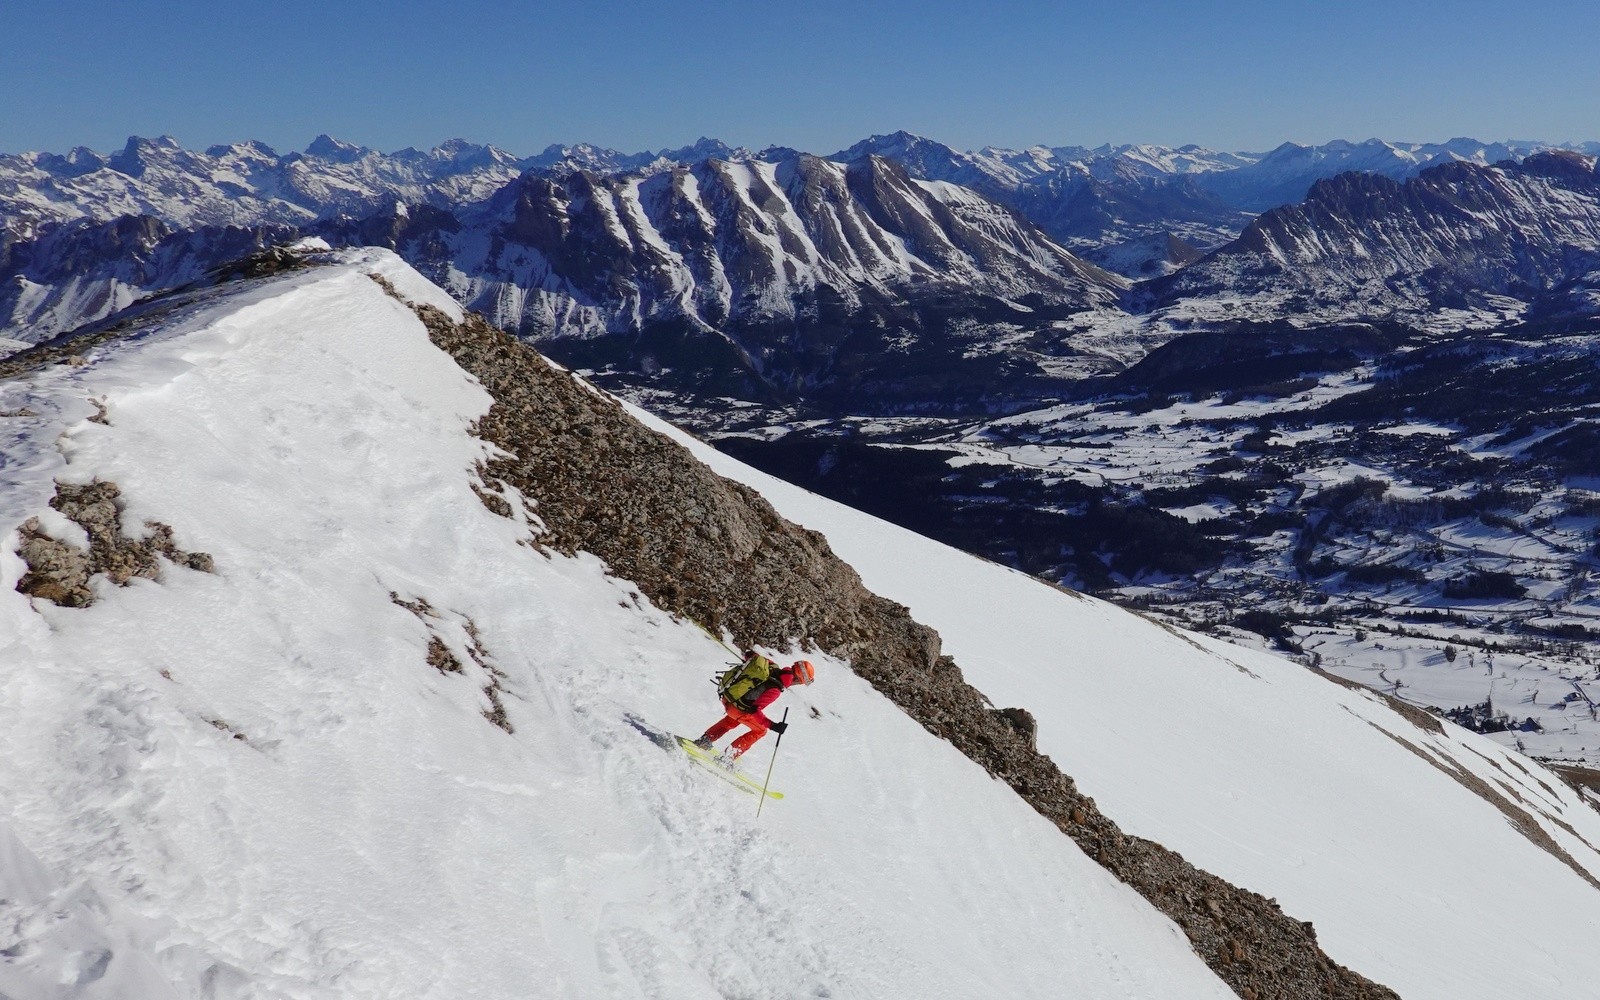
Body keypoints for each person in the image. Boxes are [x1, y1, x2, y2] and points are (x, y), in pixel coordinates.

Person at [694, 654, 816, 761]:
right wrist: (773, 726)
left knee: (734, 719)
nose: (797, 685)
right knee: (761, 730)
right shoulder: (775, 689)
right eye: (799, 683)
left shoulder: (772, 667)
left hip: (728, 697)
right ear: (796, 679)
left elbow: (751, 656)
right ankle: (727, 757)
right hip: (736, 708)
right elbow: (754, 710)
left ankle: (705, 741)